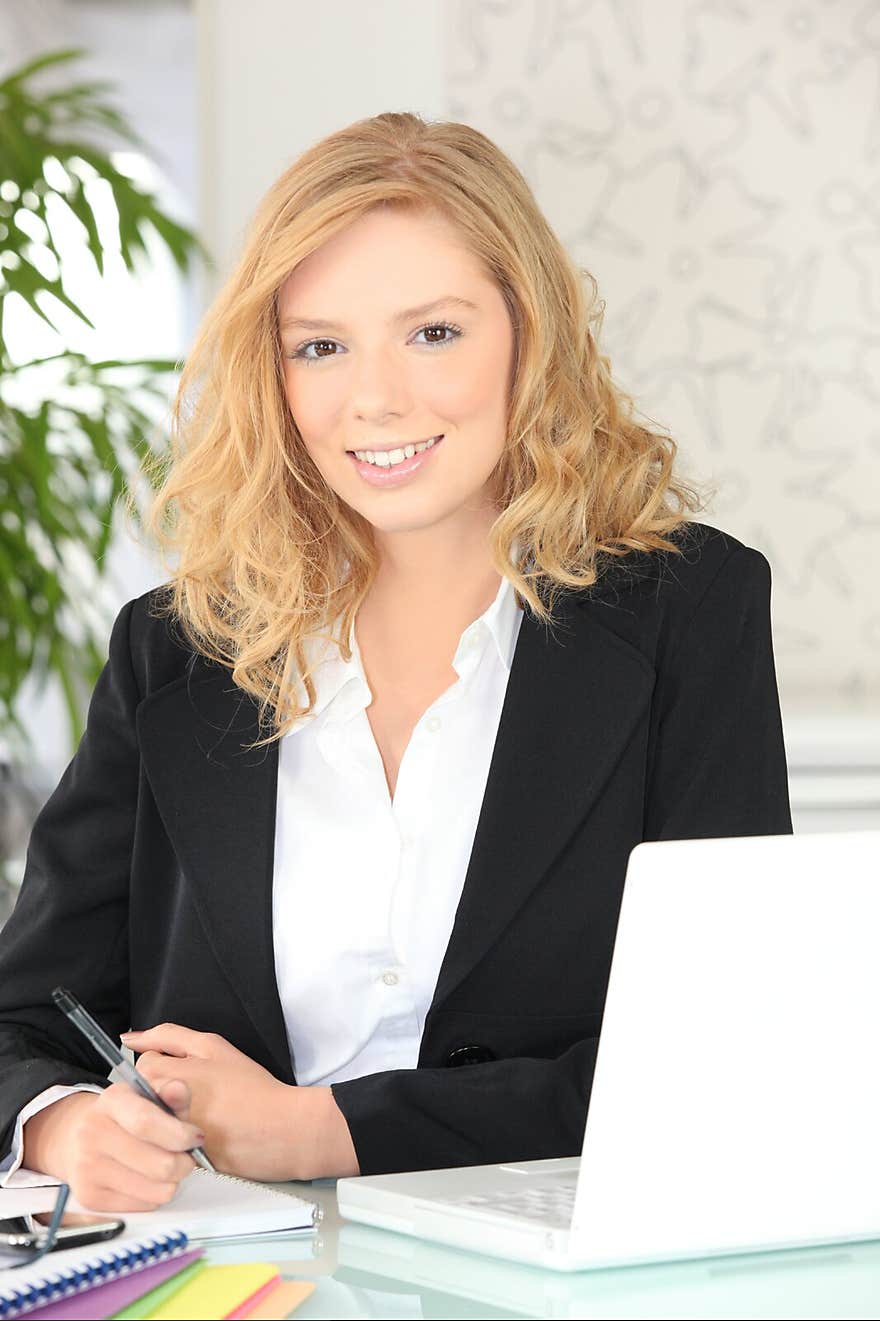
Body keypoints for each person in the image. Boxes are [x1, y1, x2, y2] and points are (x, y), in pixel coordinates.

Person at [0, 113, 792, 1214]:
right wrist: (64, 1125)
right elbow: (22, 1019)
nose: (373, 398)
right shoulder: (175, 646)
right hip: (231, 1279)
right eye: (319, 345)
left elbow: (723, 1049)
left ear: (530, 332)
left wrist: (324, 1128)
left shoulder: (685, 611)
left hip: (554, 1277)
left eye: (432, 333)